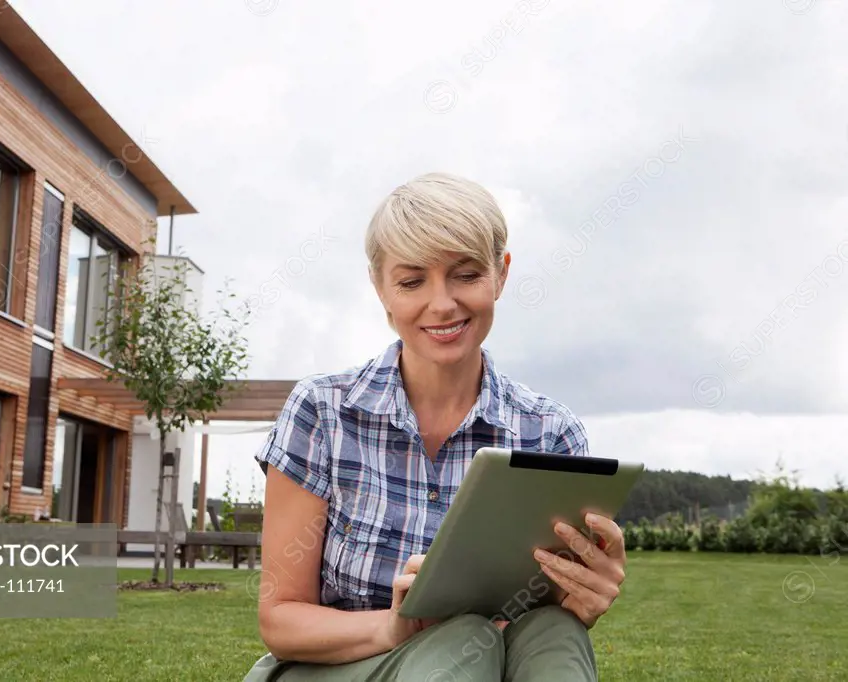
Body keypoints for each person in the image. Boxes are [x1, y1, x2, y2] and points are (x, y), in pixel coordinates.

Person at [242, 172, 627, 681]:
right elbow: (282, 620)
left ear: (501, 274)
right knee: (464, 638)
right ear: (380, 288)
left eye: (466, 275)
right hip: (342, 668)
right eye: (411, 281)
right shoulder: (322, 411)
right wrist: (395, 628)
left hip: (477, 664)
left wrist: (584, 596)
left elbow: (542, 613)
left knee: (554, 630)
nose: (442, 303)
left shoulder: (551, 433)